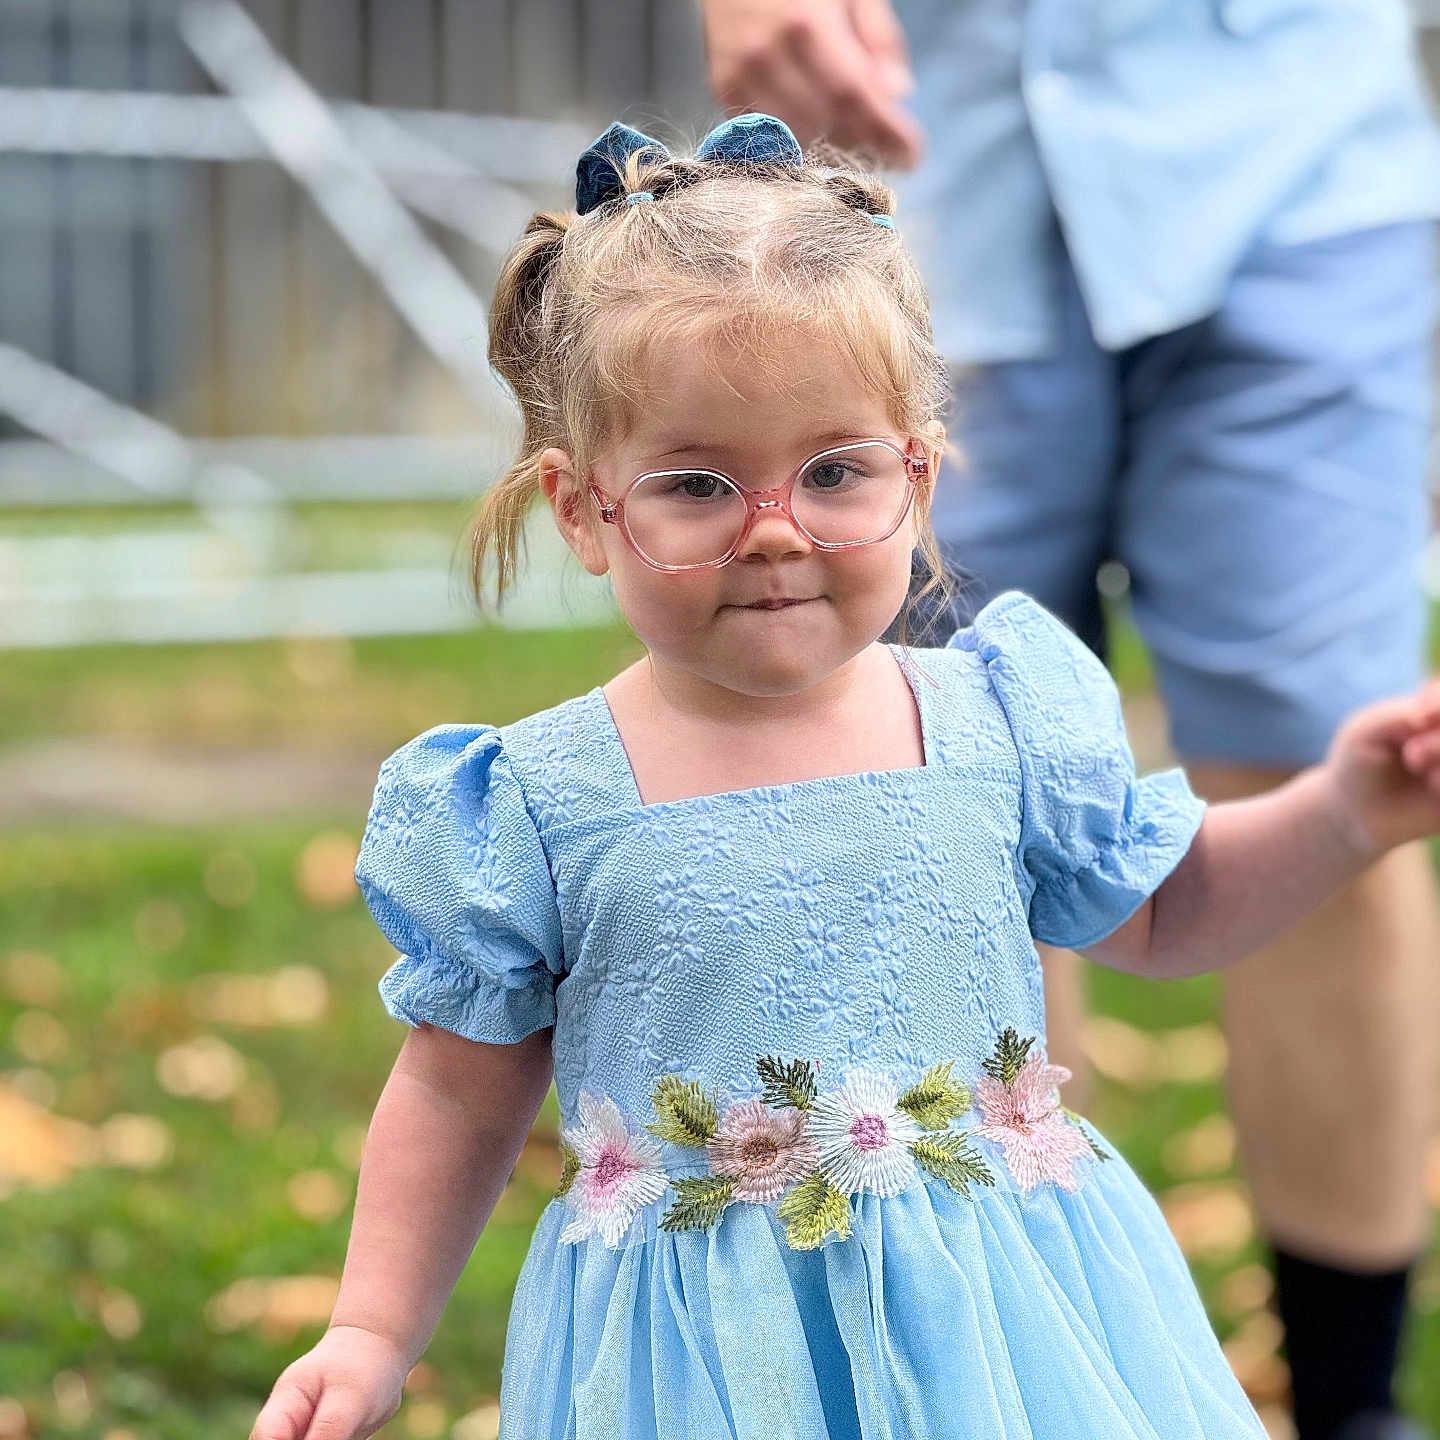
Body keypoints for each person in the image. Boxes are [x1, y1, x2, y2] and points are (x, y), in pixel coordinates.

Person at [249, 117, 1440, 1440]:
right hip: (701, 1364)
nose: (777, 531)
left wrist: (1343, 812)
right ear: (585, 509)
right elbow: (458, 1086)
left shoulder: (994, 719)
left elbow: (1165, 912)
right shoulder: (536, 802)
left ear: (915, 477)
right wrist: (370, 1327)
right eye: (698, 484)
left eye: (833, 471)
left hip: (1005, 1334)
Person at [700, 5, 1440, 1438]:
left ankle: (1351, 1407)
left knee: (1325, 768)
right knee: (921, 776)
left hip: (1295, 164)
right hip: (914, 191)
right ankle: (1000, 1386)